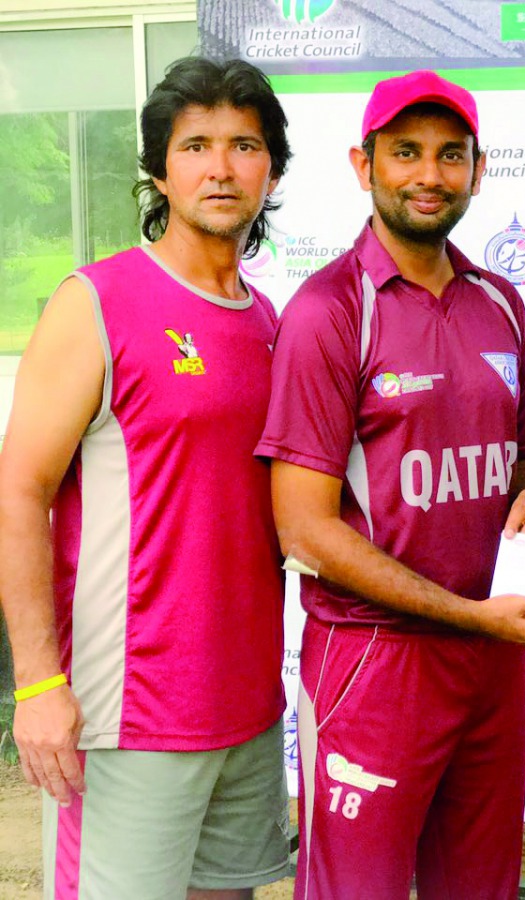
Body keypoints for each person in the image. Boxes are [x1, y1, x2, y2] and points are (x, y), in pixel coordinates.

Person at [254, 70, 525, 899]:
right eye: (405, 153)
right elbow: (304, 531)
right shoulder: (330, 311)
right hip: (375, 664)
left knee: (481, 888)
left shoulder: (499, 301)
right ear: (364, 166)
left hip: (493, 660)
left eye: (449, 155)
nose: (429, 174)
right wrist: (467, 614)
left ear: (477, 167)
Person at [0, 56, 292, 898]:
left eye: (244, 144)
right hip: (125, 714)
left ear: (270, 171)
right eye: (195, 144)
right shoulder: (96, 301)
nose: (221, 165)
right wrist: (39, 685)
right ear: (159, 169)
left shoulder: (270, 321)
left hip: (247, 707)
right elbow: (18, 491)